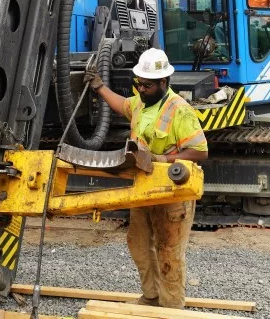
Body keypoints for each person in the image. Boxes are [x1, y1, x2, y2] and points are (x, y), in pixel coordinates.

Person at [83, 48, 208, 309]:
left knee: (168, 250)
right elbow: (122, 105)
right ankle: (151, 297)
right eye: (139, 83)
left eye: (147, 85)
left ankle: (171, 308)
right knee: (139, 244)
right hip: (143, 189)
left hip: (171, 193)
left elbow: (200, 151)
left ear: (164, 82)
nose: (141, 88)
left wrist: (162, 159)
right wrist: (99, 87)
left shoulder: (180, 110)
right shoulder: (141, 102)